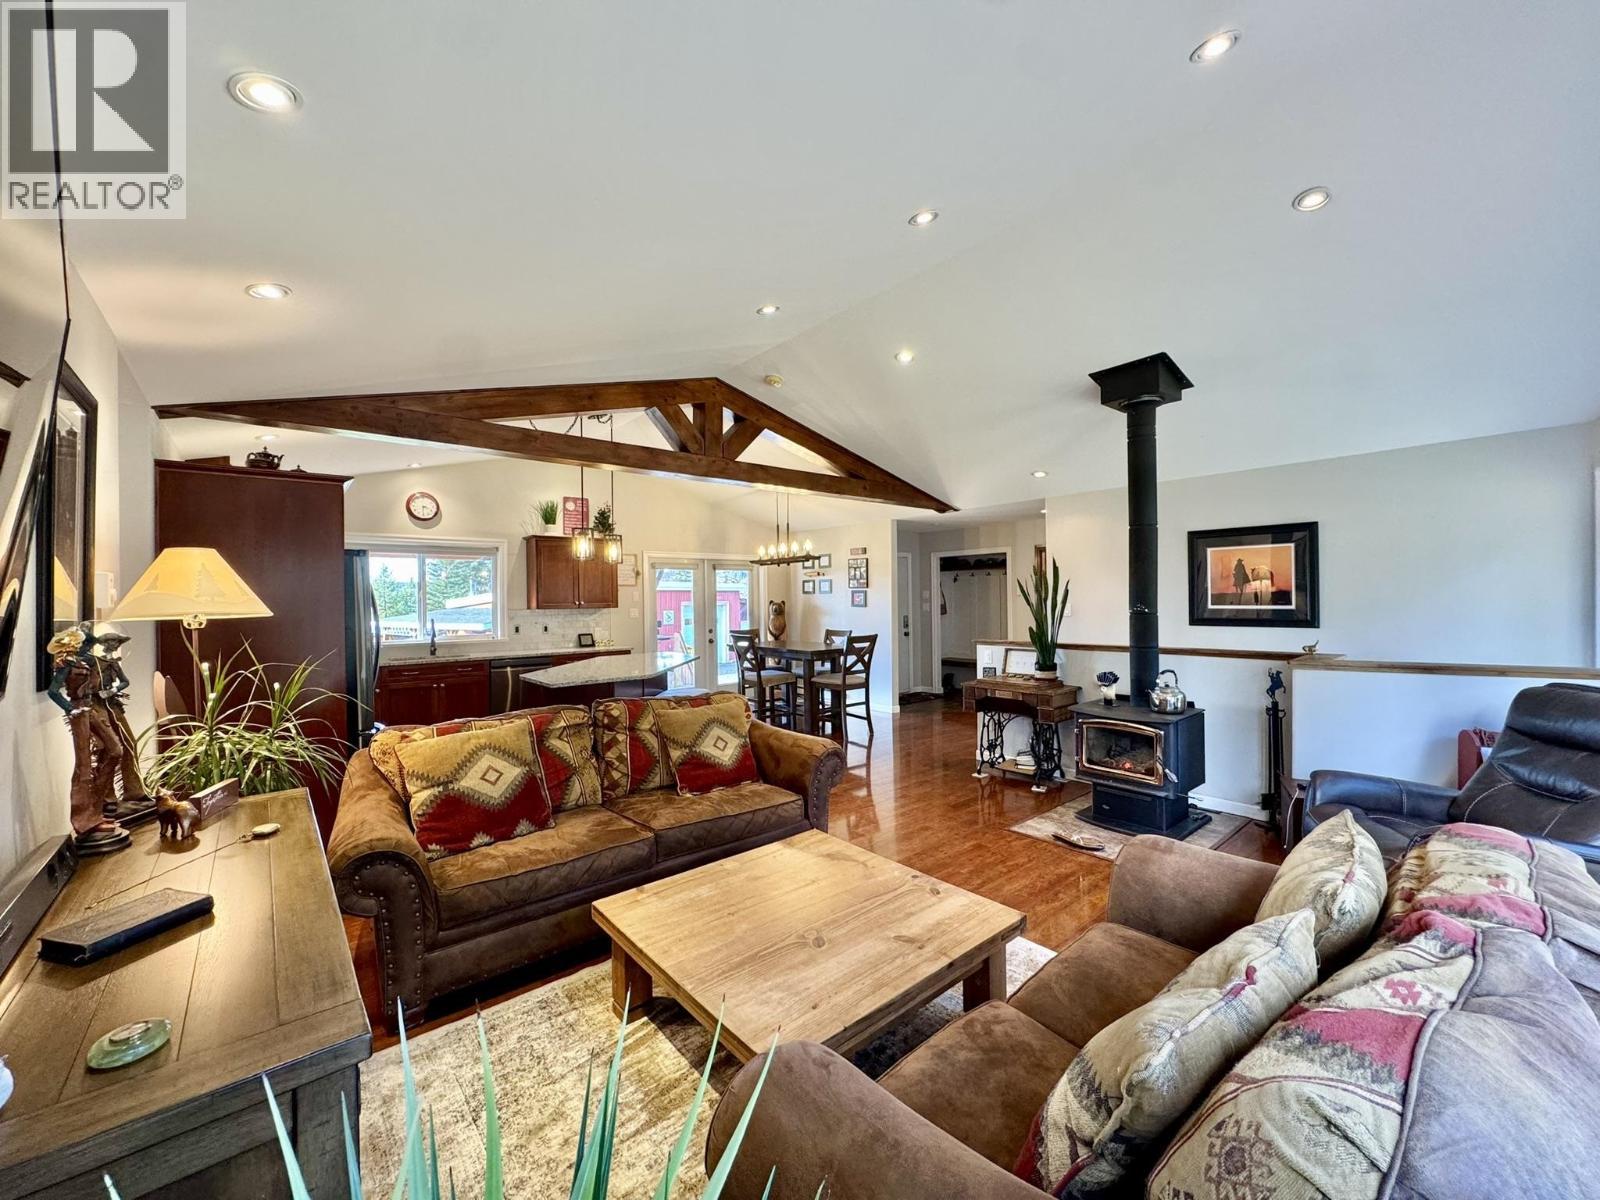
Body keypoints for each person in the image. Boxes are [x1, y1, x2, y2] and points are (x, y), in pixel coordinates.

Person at [46, 625, 130, 855]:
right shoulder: (65, 666)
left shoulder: (84, 661)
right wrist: (68, 709)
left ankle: (97, 806)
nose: (82, 646)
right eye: (76, 644)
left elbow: (93, 641)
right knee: (83, 767)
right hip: (77, 711)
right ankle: (85, 821)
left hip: (89, 708)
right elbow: (53, 692)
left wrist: (86, 630)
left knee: (115, 750)